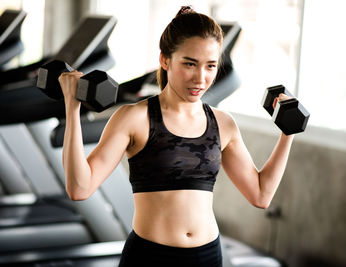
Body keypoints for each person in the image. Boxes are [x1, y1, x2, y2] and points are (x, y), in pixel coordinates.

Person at [58, 5, 294, 267]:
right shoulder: (134, 118)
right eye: (190, 64)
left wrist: (288, 133)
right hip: (150, 258)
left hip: (207, 257)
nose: (201, 78)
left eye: (210, 66)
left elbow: (261, 195)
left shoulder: (223, 124)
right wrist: (72, 107)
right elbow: (80, 188)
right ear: (165, 60)